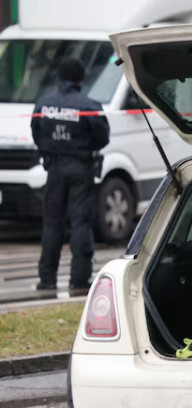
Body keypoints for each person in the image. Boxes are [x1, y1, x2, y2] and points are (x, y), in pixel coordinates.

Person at [31, 57, 110, 296]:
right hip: (80, 169)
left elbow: (36, 133)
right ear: (80, 79)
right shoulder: (89, 105)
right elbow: (103, 137)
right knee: (80, 223)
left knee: (52, 224)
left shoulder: (43, 105)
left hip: (54, 169)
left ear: (59, 78)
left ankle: (47, 279)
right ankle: (79, 279)